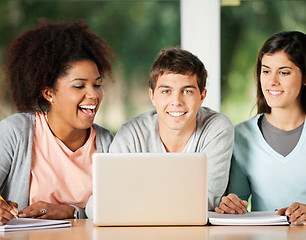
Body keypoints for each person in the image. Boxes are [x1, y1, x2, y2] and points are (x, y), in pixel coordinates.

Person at [215, 31, 306, 225]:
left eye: (284, 72)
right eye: (266, 71)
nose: (272, 81)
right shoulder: (241, 135)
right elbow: (237, 201)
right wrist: (230, 205)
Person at [85, 48, 233, 218]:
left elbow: (208, 200)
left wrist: (134, 199)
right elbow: (97, 206)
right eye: (166, 91)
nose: (176, 101)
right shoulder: (132, 133)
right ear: (152, 96)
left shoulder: (217, 128)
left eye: (187, 91)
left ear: (202, 96)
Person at [0, 19, 114, 225]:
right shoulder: (16, 132)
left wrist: (72, 212)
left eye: (97, 84)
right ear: (49, 93)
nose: (94, 95)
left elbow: (117, 208)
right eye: (79, 86)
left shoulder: (108, 143)